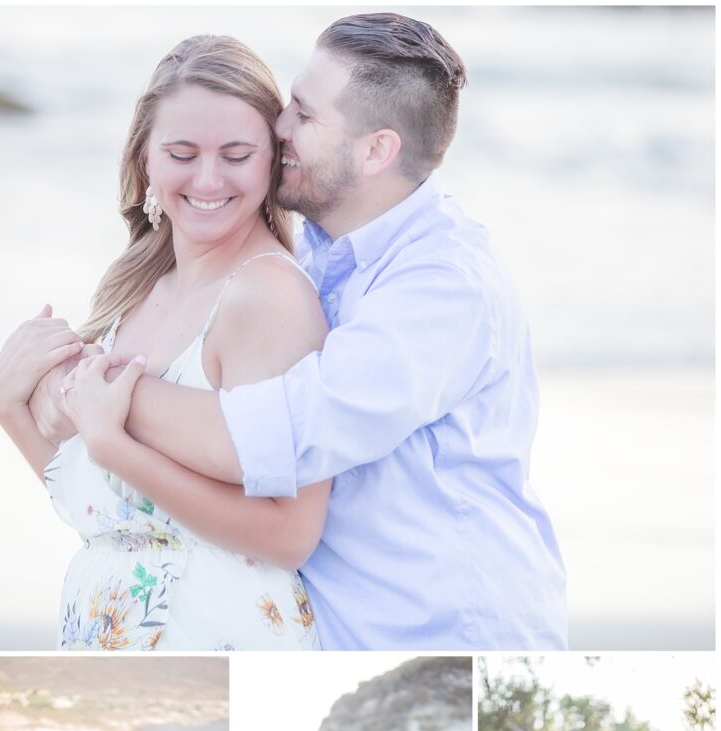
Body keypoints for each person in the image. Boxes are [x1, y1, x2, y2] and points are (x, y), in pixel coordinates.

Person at [32, 11, 568, 651]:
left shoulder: (442, 288)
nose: (279, 126)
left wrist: (97, 387)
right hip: (347, 631)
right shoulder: (322, 255)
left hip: (449, 635)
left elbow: (274, 434)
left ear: (377, 150)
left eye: (305, 115)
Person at [0, 34, 329, 651]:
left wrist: (114, 446)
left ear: (272, 161)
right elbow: (109, 515)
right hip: (115, 617)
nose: (207, 178)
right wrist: (8, 408)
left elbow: (289, 534)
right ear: (145, 157)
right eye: (182, 152)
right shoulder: (139, 286)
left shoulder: (268, 298)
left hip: (214, 630)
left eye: (236, 154)